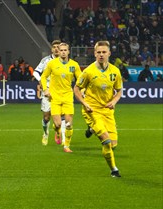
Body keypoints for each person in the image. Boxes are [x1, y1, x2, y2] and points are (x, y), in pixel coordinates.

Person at [74, 40, 122, 178]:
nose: (101, 55)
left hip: (107, 110)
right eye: (99, 52)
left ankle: (91, 130)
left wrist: (114, 101)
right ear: (95, 53)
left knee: (113, 145)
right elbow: (76, 89)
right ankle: (114, 170)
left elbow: (119, 91)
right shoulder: (88, 71)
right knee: (106, 141)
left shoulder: (115, 71)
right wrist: (84, 103)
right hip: (92, 110)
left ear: (109, 53)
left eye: (104, 52)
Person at [41, 43, 82, 152]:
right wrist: (45, 89)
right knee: (58, 124)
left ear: (69, 51)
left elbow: (81, 79)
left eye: (65, 50)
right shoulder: (51, 64)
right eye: (61, 50)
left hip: (68, 96)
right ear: (58, 52)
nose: (63, 52)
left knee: (68, 123)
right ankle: (57, 131)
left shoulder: (74, 65)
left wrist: (82, 89)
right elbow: (43, 77)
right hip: (55, 97)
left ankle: (66, 146)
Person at [33, 40, 66, 146]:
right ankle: (45, 133)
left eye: (58, 47)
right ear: (51, 49)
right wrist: (41, 81)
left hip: (60, 92)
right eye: (54, 47)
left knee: (62, 116)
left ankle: (60, 133)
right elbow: (36, 72)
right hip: (47, 91)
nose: (56, 49)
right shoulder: (46, 60)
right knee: (46, 116)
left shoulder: (65, 61)